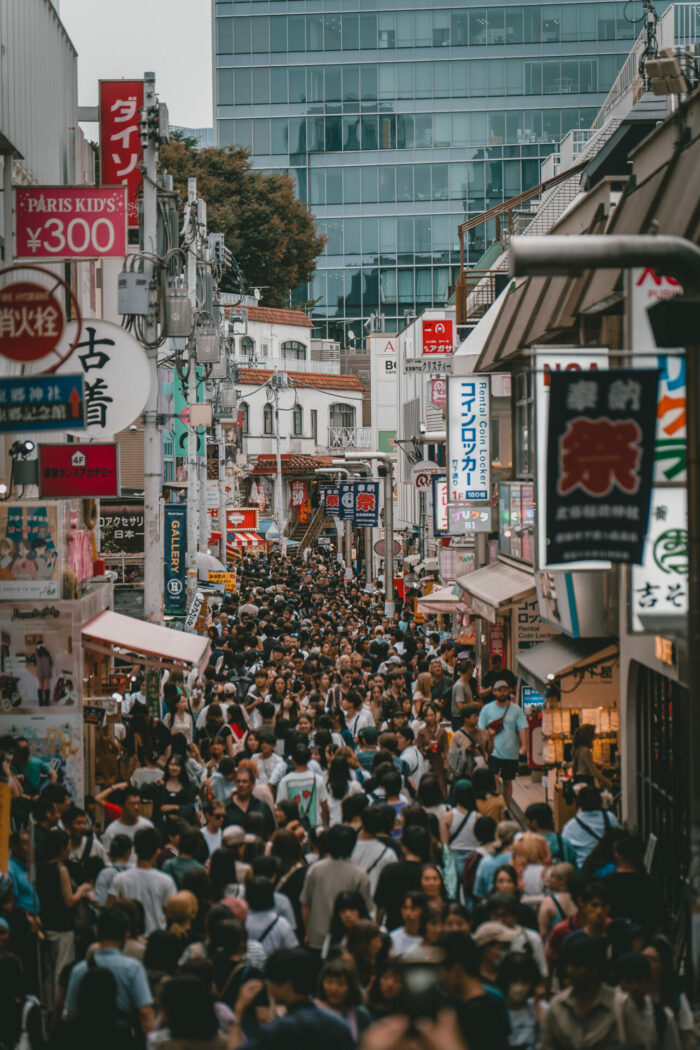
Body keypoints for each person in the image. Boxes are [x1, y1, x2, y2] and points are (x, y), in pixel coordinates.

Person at [227, 947, 355, 1050]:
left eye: (272, 981)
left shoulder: (278, 1030)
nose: (269, 987)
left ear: (287, 985)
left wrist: (239, 1011)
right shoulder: (337, 1023)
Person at [63, 906, 155, 1033]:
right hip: (121, 1037)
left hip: (86, 1038)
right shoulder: (133, 968)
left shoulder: (79, 969)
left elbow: (71, 1011)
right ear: (126, 936)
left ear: (96, 933)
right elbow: (145, 1012)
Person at [299, 824, 372, 952]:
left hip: (316, 937)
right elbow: (365, 909)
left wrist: (308, 931)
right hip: (346, 941)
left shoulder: (315, 870)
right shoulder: (359, 875)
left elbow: (305, 905)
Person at [540, 936, 619, 1050]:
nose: (570, 970)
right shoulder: (557, 1005)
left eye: (576, 966)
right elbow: (547, 1045)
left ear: (594, 969)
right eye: (568, 965)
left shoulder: (617, 1004)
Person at [437, 930, 511, 1050]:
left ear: (456, 970)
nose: (439, 979)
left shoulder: (476, 1014)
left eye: (441, 971)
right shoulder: (496, 1001)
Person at [108, 827, 178, 934]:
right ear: (157, 852)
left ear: (134, 850)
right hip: (157, 938)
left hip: (130, 938)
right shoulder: (166, 881)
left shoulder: (120, 878)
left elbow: (110, 908)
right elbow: (171, 912)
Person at [615, 951, 681, 1050]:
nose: (627, 991)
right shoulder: (615, 1005)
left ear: (645, 982)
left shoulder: (662, 1017)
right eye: (622, 985)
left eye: (630, 982)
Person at [602, 834, 666, 936]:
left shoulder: (604, 884)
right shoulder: (650, 885)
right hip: (643, 940)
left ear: (617, 855)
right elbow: (660, 921)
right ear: (640, 856)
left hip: (613, 939)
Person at [478, 682, 528, 808]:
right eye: (499, 690)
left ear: (509, 691)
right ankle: (495, 805)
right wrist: (483, 747)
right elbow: (481, 729)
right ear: (494, 692)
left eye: (505, 690)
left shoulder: (516, 709)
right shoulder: (487, 709)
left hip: (511, 752)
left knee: (507, 781)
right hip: (493, 751)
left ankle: (506, 806)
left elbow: (522, 728)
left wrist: (524, 746)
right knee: (493, 778)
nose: (502, 693)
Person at [561, 787, 622, 869]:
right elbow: (620, 839)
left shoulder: (571, 826)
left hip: (582, 869)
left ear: (579, 803)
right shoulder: (609, 817)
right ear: (600, 800)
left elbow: (565, 851)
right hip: (605, 868)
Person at [572, 724, 611, 789]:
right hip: (585, 781)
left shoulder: (579, 749)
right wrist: (607, 782)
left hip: (579, 780)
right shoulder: (586, 751)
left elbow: (583, 765)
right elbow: (593, 771)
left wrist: (594, 763)